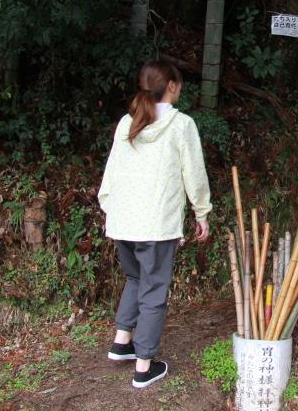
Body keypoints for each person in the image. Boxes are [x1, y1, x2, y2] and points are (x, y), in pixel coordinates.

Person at [98, 60, 212, 388]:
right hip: (155, 224)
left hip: (122, 221)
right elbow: (194, 172)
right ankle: (144, 366)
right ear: (172, 86)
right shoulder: (181, 125)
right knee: (153, 290)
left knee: (135, 277)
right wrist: (201, 213)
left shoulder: (126, 122)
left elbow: (111, 172)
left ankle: (122, 343)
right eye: (179, 84)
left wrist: (110, 208)